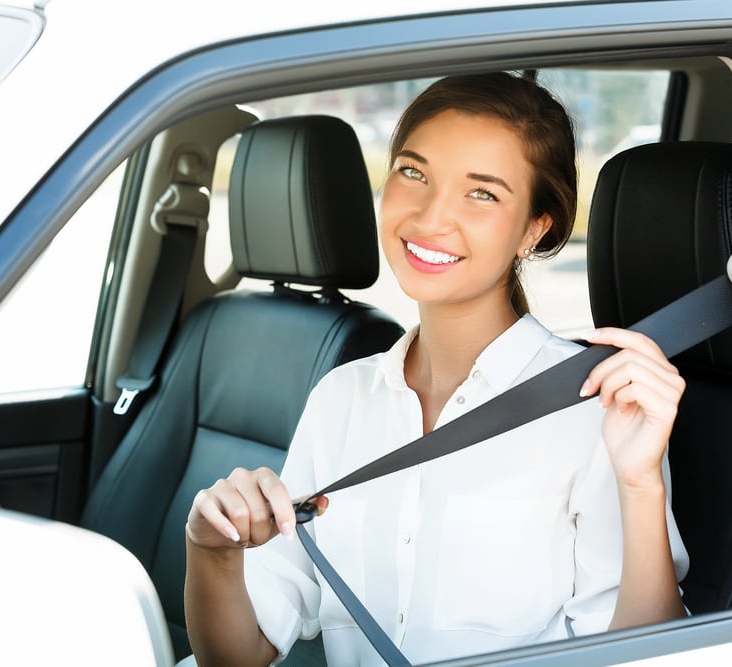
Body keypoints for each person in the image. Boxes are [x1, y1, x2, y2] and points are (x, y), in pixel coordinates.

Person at [183, 72, 689, 666]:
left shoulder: (594, 405)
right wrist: (210, 549)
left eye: (482, 193)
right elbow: (239, 656)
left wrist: (640, 482)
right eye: (414, 172)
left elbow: (649, 656)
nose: (430, 216)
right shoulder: (341, 398)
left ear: (534, 229)